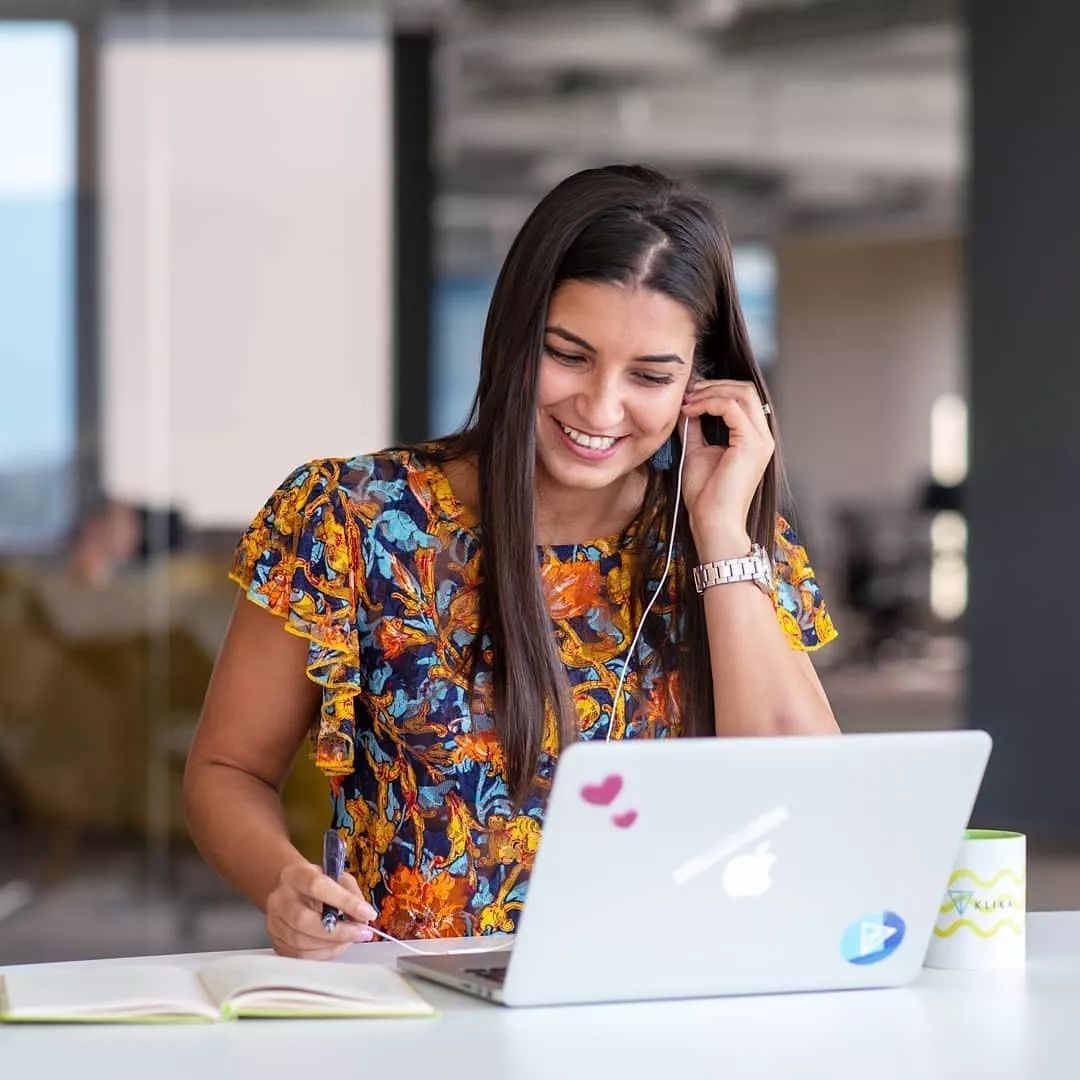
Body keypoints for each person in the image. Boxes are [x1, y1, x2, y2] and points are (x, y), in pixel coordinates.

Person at [184, 164, 839, 960]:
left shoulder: (723, 533)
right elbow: (226, 768)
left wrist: (720, 535)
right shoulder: (352, 517)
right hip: (415, 1001)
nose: (599, 409)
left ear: (700, 383)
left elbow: (805, 799)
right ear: (515, 335)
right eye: (569, 355)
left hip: (660, 991)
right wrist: (281, 880)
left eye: (650, 376)